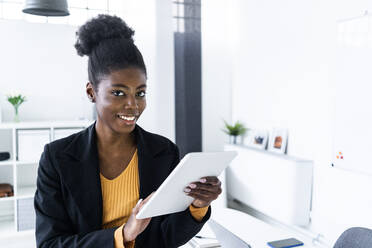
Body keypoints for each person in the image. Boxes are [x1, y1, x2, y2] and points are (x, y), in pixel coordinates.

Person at [34, 14, 222, 248]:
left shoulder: (163, 152)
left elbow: (167, 237)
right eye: (119, 93)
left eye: (140, 93)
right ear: (91, 92)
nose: (132, 105)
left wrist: (198, 205)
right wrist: (123, 234)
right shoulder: (57, 158)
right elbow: (50, 244)